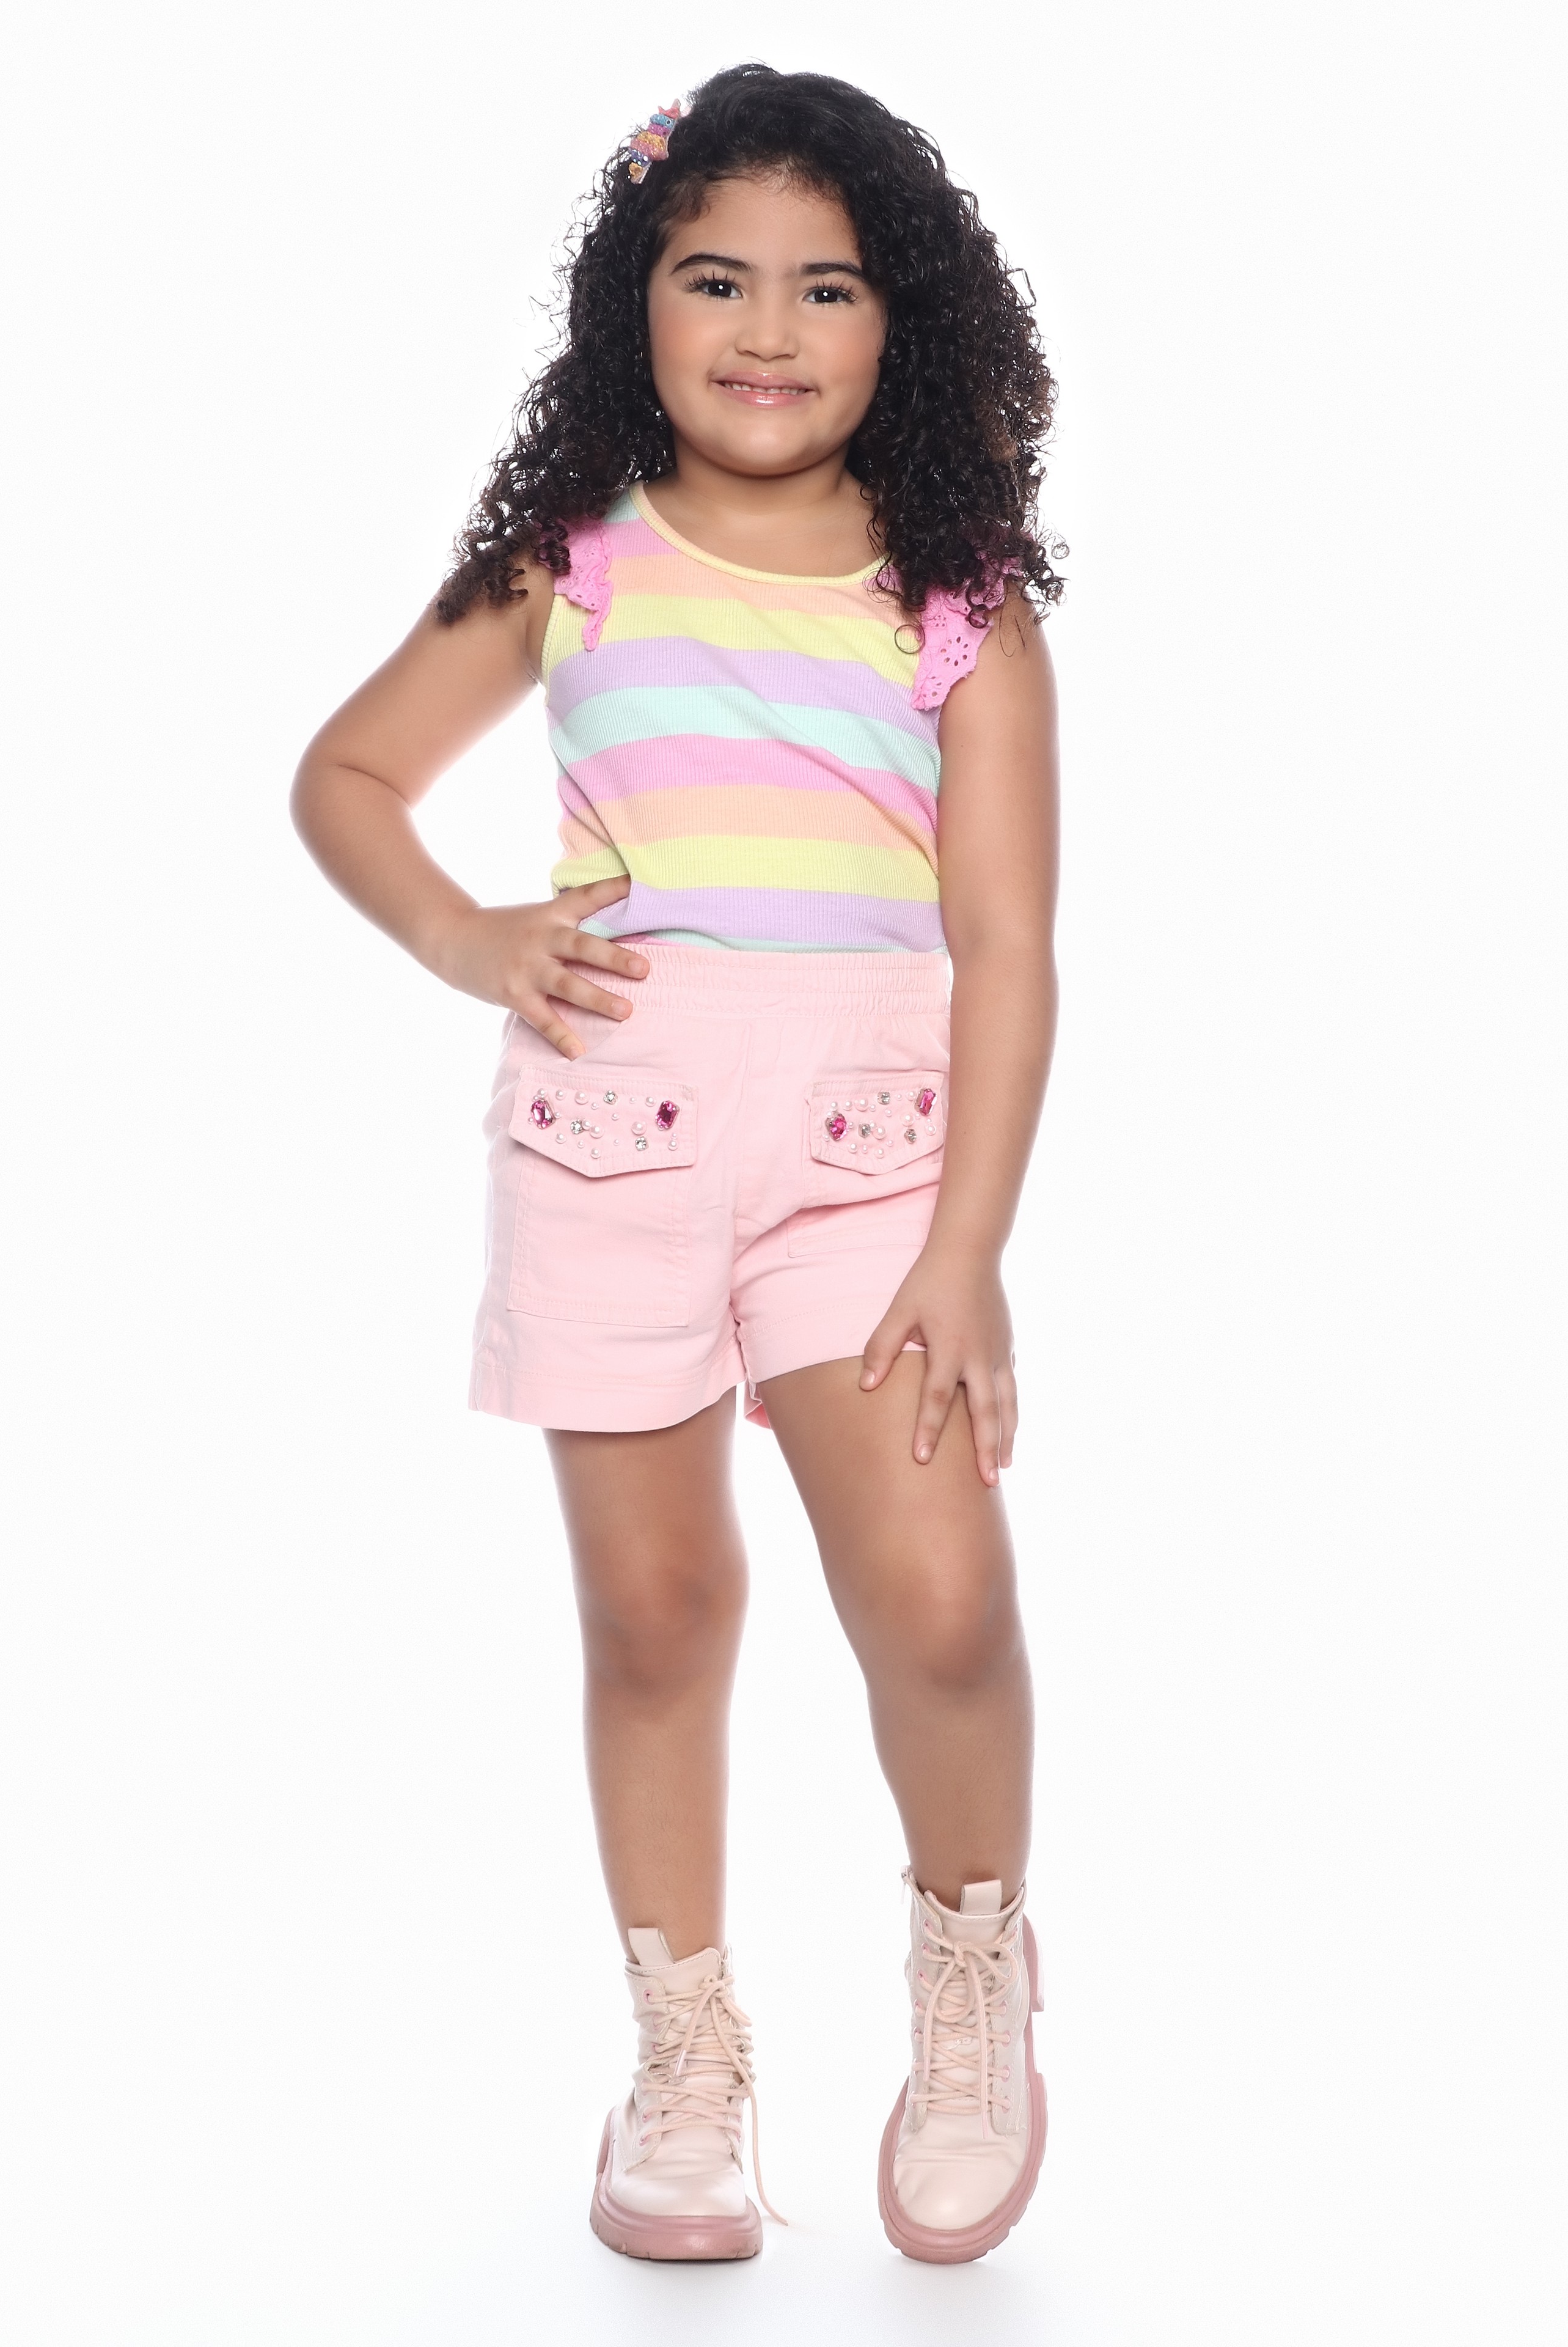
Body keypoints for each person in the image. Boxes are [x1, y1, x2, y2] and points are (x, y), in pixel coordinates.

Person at [291, 62, 1061, 2268]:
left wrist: (969, 1246)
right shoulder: (573, 559)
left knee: (938, 1597)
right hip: (608, 1141)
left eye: (829, 286)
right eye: (715, 277)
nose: (768, 328)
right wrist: (468, 938)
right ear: (634, 297)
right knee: (654, 1616)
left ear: (905, 320)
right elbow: (347, 776)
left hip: (869, 1161)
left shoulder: (956, 599)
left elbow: (1010, 943)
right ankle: (683, 2050)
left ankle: (972, 1967)